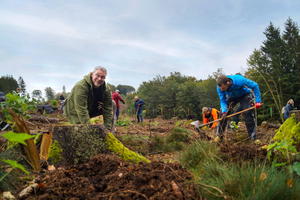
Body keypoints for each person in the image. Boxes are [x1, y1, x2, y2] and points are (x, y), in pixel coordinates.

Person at [215, 74, 262, 142]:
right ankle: (219, 136)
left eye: (223, 88)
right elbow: (223, 100)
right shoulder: (219, 88)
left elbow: (255, 85)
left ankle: (252, 137)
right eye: (221, 89)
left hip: (244, 95)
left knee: (247, 112)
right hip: (231, 97)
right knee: (223, 114)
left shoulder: (239, 80)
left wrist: (258, 101)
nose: (222, 90)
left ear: (228, 83)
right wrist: (224, 111)